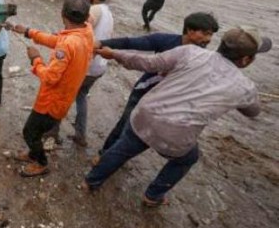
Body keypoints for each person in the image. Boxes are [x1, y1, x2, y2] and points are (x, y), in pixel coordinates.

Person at [84, 26, 272, 206]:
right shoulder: (245, 88)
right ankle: (153, 195)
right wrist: (245, 95)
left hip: (146, 115)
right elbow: (253, 112)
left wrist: (114, 53)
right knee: (188, 158)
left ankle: (91, 181)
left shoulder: (189, 52)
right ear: (246, 60)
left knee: (125, 147)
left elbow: (147, 63)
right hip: (177, 136)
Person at [92, 12, 219, 165]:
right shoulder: (166, 41)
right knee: (125, 124)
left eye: (211, 35)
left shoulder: (206, 58)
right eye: (205, 34)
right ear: (190, 31)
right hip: (144, 93)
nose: (208, 39)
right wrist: (100, 43)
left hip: (168, 102)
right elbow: (130, 42)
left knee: (145, 136)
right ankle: (104, 155)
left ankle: (117, 157)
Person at [11, 0, 94, 177]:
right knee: (35, 131)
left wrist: (35, 60)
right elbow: (57, 41)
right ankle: (34, 153)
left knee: (30, 132)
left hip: (51, 101)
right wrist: (29, 32)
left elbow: (50, 78)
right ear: (86, 17)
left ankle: (41, 162)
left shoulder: (68, 44)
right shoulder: (86, 33)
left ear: (62, 14)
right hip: (64, 98)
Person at [51, 0, 114, 147]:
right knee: (81, 96)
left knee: (62, 96)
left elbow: (79, 29)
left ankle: (53, 133)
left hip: (86, 66)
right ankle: (80, 134)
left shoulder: (94, 10)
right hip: (98, 67)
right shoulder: (108, 12)